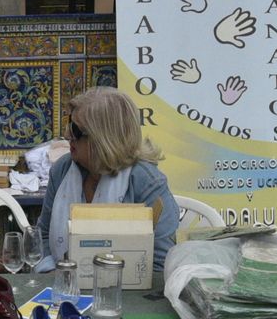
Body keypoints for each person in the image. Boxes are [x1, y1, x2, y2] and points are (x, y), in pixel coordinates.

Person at [40, 87, 177, 271]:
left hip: (123, 293)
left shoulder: (146, 181)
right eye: (68, 124)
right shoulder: (62, 170)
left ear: (103, 140)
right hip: (64, 289)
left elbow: (161, 262)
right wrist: (57, 276)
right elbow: (44, 237)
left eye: (75, 130)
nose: (67, 135)